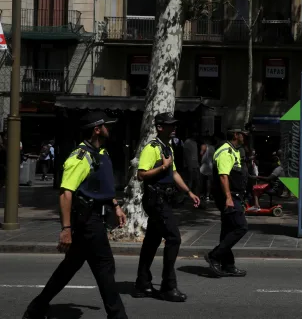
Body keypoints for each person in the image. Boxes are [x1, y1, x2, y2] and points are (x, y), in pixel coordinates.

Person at [23, 112, 128, 319]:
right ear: (97, 129)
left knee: (68, 268)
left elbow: (101, 187)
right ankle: (118, 316)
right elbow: (65, 193)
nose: (110, 128)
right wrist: (66, 229)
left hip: (93, 220)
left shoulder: (101, 153)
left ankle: (35, 309)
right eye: (106, 125)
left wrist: (115, 205)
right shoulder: (80, 157)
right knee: (105, 267)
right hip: (88, 222)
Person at [134, 112, 200, 302]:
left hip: (163, 199)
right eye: (170, 125)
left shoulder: (168, 147)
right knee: (174, 238)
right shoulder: (152, 148)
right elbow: (141, 174)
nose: (174, 128)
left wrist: (189, 192)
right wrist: (162, 168)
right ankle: (168, 286)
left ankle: (142, 283)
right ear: (160, 127)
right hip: (156, 200)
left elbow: (175, 172)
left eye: (174, 124)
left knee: (152, 241)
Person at [205, 128, 249, 277]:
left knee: (228, 230)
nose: (245, 137)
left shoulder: (234, 150)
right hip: (228, 197)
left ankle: (228, 265)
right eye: (243, 135)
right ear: (236, 135)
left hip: (234, 196)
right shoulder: (226, 151)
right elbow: (223, 176)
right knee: (241, 227)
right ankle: (214, 256)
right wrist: (229, 198)